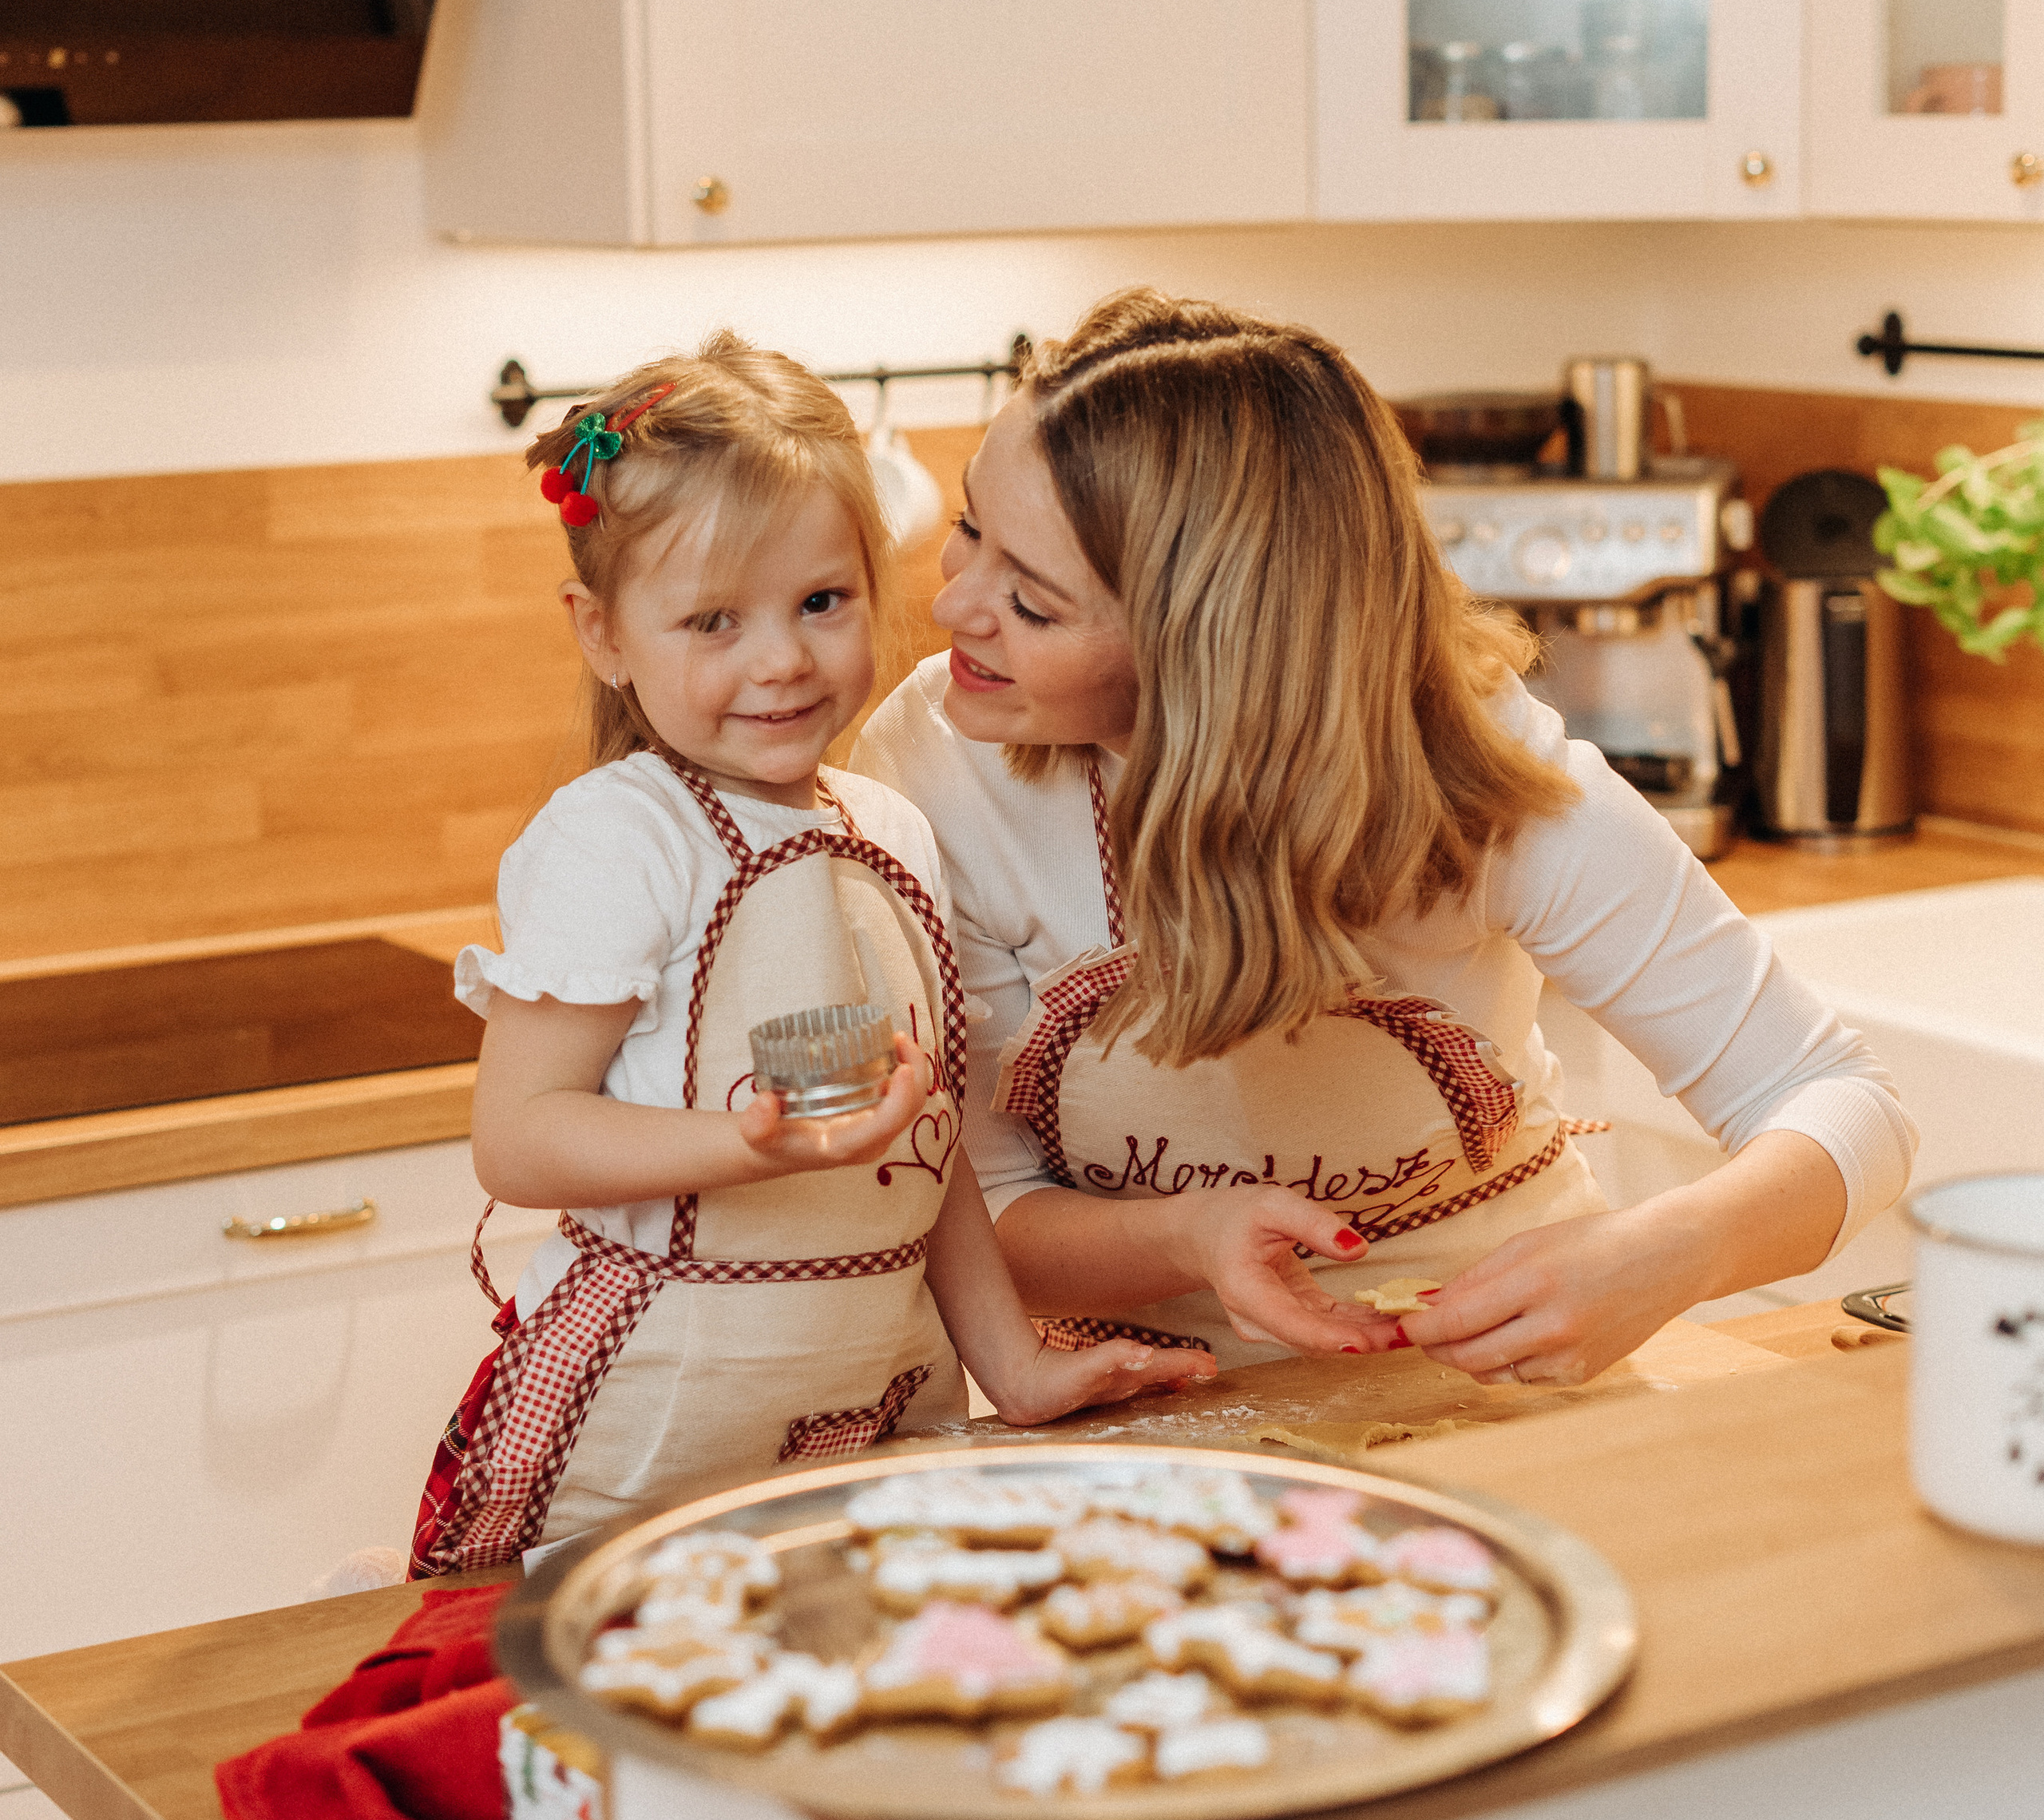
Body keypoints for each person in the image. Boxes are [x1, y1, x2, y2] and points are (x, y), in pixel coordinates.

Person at [853, 291, 1916, 1385]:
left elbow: (1843, 1101)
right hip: (1137, 1413)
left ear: (1207, 646)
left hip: (1506, 1394)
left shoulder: (1489, 787)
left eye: (1033, 605)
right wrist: (1186, 1239)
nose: (953, 611)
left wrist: (1667, 1253)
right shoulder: (937, 775)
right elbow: (977, 1209)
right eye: (971, 531)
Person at [410, 337, 1211, 1576]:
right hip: (644, 1431)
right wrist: (748, 1147)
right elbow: (519, 1138)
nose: (780, 659)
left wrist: (1013, 1366)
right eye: (713, 621)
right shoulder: (618, 837)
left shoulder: (888, 822)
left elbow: (925, 1136)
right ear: (604, 633)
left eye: (821, 603)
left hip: (878, 1413)